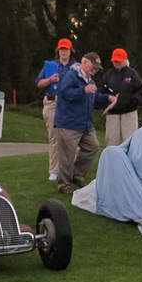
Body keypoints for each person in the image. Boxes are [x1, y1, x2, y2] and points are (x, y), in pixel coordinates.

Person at [52, 51, 112, 194]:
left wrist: (108, 98)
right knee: (67, 155)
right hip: (69, 123)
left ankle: (77, 174)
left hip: (85, 124)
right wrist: (83, 90)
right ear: (84, 63)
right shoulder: (71, 76)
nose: (95, 70)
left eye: (97, 68)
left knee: (93, 146)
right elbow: (65, 93)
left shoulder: (90, 81)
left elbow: (93, 98)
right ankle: (64, 184)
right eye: (93, 67)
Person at [36, 38, 73, 182]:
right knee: (54, 138)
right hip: (52, 102)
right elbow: (39, 83)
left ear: (70, 51)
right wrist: (50, 80)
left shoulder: (75, 66)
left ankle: (68, 169)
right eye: (62, 49)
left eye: (66, 49)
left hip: (69, 103)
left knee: (69, 137)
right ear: (58, 51)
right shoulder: (51, 65)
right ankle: (54, 170)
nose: (64, 52)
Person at [101, 48, 142, 147]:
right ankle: (112, 162)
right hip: (112, 113)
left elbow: (140, 90)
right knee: (111, 143)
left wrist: (132, 102)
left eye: (119, 60)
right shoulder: (108, 75)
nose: (117, 63)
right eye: (115, 61)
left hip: (129, 113)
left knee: (130, 143)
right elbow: (101, 90)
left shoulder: (132, 74)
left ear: (125, 60)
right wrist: (107, 100)